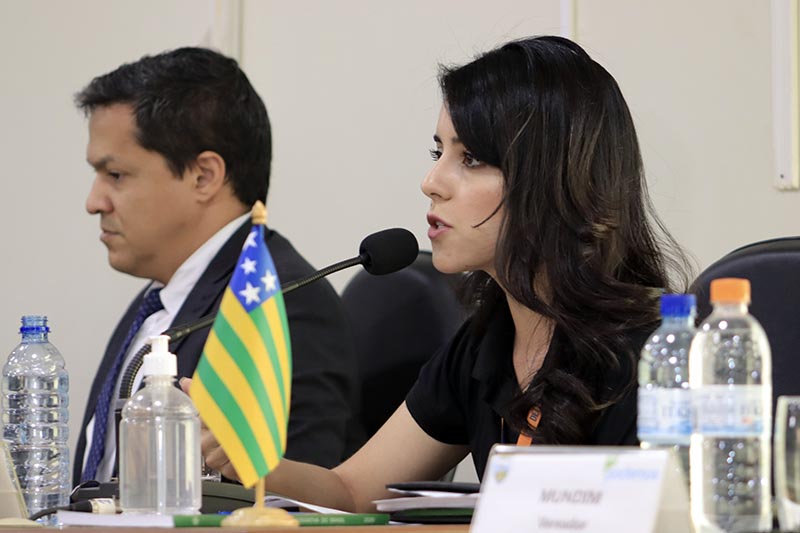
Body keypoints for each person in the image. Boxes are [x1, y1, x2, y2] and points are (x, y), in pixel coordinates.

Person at [187, 35, 689, 511]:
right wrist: (252, 460)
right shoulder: (483, 345)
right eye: (438, 152)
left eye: (470, 158)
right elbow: (352, 492)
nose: (431, 182)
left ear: (552, 178)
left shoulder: (651, 356)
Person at [73, 47, 361, 486]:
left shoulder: (282, 303)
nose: (94, 202)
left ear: (204, 176)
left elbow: (293, 498)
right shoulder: (158, 302)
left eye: (115, 175)